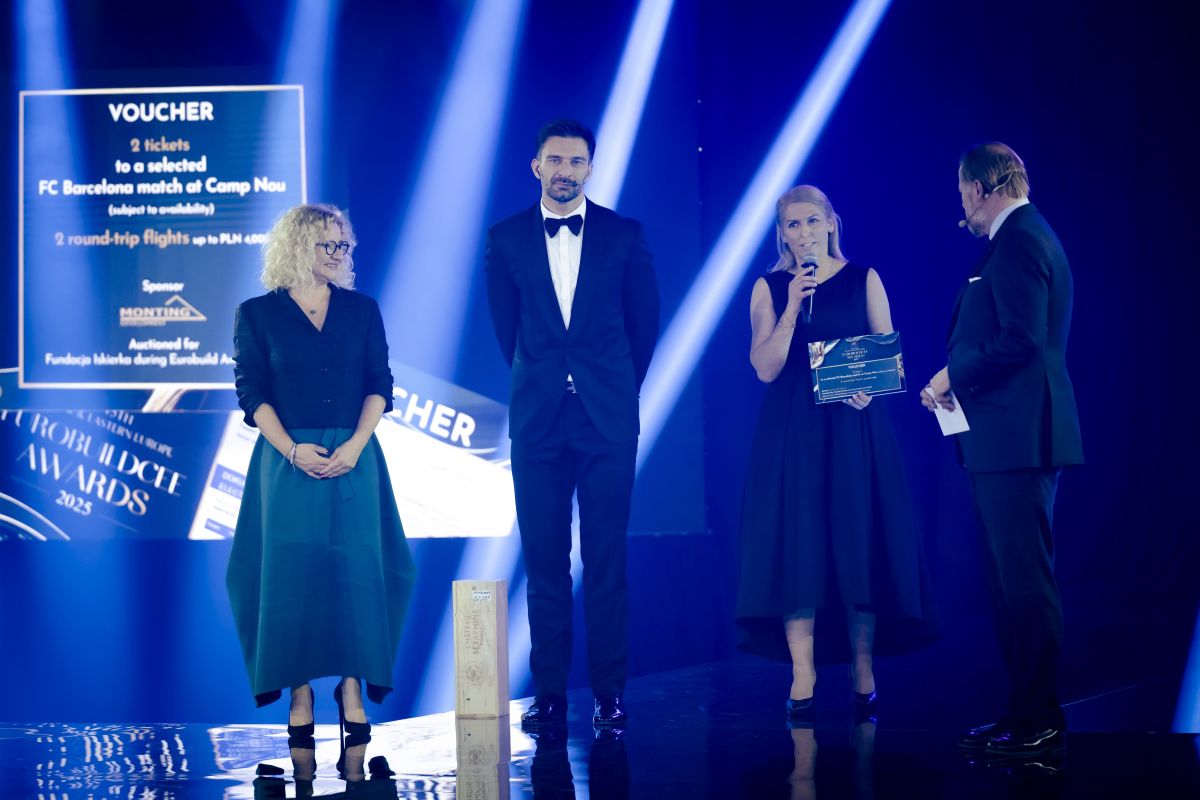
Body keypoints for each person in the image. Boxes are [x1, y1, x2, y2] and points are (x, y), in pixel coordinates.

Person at [736, 185, 935, 723]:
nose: (802, 233)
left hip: (852, 428)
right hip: (792, 431)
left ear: (830, 223)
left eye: (811, 221)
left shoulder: (864, 278)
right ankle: (802, 672)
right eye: (792, 225)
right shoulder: (770, 287)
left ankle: (862, 666)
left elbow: (888, 354)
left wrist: (871, 384)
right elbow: (765, 367)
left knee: (855, 541)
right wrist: (791, 306)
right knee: (798, 546)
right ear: (782, 234)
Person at [485, 119, 659, 729]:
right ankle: (551, 694)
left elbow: (645, 325)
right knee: (544, 562)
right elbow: (506, 331)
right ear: (536, 166)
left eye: (576, 161)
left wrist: (612, 388)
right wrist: (544, 380)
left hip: (606, 418)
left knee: (606, 558)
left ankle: (610, 694)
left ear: (590, 167)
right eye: (555, 160)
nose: (565, 171)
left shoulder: (623, 234)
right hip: (539, 420)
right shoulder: (505, 238)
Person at [227, 203, 415, 770]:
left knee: (358, 573)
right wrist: (290, 448)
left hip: (355, 457)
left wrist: (356, 445)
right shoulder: (257, 313)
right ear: (296, 246)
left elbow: (380, 382)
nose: (338, 254)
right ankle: (300, 693)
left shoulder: (362, 310)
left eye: (343, 245)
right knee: (291, 578)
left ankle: (352, 690)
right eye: (327, 244)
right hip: (286, 462)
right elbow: (251, 390)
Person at [922, 142, 1083, 756]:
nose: (961, 204)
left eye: (962, 191)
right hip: (1003, 438)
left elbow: (1022, 340)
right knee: (1008, 585)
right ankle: (1022, 711)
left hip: (1020, 436)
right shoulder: (1017, 239)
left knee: (1025, 582)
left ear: (980, 188)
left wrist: (951, 375)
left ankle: (1040, 715)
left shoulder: (1019, 240)